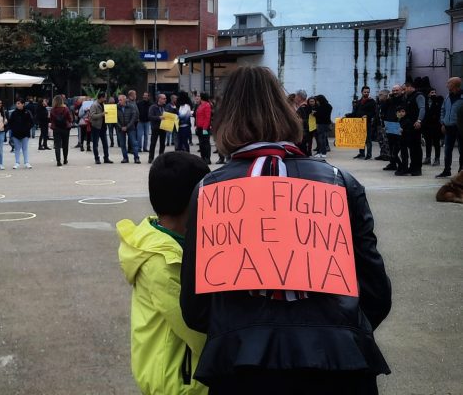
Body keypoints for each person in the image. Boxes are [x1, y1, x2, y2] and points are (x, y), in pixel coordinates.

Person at [180, 66, 391, 394]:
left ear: (225, 118)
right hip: (340, 361)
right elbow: (376, 291)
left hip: (242, 364)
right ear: (286, 110)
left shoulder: (209, 190)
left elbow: (196, 308)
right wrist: (338, 331)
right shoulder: (340, 182)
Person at [117, 151, 211, 395]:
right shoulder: (164, 261)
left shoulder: (167, 240)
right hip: (178, 381)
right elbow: (196, 330)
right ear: (194, 201)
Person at [397, 79, 425, 176]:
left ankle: (417, 168)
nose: (404, 91)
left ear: (410, 87)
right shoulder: (407, 97)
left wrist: (419, 120)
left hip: (416, 125)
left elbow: (422, 108)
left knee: (416, 147)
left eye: (405, 89)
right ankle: (412, 167)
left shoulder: (419, 96)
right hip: (408, 126)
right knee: (412, 147)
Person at [437, 76, 463, 178]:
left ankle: (461, 172)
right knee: (447, 150)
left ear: (454, 85)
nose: (447, 85)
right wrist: (443, 123)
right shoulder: (448, 96)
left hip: (460, 128)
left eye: (449, 83)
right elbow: (443, 109)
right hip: (448, 128)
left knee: (462, 151)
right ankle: (446, 170)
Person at [9, 98, 34, 169]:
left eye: (19, 103)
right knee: (17, 149)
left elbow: (32, 122)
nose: (17, 105)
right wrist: (13, 129)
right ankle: (17, 162)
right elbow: (10, 122)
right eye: (17, 103)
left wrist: (27, 128)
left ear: (23, 104)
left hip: (25, 134)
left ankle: (26, 162)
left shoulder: (27, 112)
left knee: (25, 148)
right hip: (16, 134)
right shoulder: (14, 113)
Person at [352, 86, 376, 160]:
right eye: (365, 92)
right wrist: (346, 116)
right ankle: (361, 153)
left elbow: (374, 113)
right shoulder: (358, 102)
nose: (366, 93)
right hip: (359, 123)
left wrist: (367, 116)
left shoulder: (372, 102)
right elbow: (355, 113)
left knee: (368, 139)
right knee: (360, 139)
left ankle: (369, 154)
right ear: (362, 92)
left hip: (367, 123)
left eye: (368, 92)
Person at [88, 92, 113, 164]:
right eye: (104, 97)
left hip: (103, 127)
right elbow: (92, 116)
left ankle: (106, 158)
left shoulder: (104, 104)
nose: (105, 99)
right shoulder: (94, 105)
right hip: (96, 127)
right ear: (101, 97)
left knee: (105, 143)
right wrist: (102, 114)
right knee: (95, 144)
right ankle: (97, 159)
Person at [49, 95, 73, 166]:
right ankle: (65, 159)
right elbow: (70, 119)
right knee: (65, 145)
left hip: (56, 129)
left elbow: (51, 120)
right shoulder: (66, 109)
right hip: (65, 128)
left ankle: (58, 161)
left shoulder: (52, 110)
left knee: (57, 145)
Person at [116, 94, 140, 164]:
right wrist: (121, 127)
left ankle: (136, 158)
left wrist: (127, 126)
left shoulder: (131, 106)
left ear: (125, 100)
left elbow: (133, 118)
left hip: (130, 127)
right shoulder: (116, 107)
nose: (119, 101)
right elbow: (115, 119)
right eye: (118, 100)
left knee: (134, 143)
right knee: (122, 144)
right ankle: (125, 158)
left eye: (120, 100)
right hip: (121, 128)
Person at [422, 87, 443, 166]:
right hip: (427, 125)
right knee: (428, 142)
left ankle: (437, 159)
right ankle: (428, 158)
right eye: (431, 92)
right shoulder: (425, 101)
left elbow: (439, 110)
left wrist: (434, 100)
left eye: (434, 92)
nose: (433, 94)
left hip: (436, 125)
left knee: (436, 142)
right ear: (428, 94)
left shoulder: (438, 100)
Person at [148, 93, 168, 163]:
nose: (165, 100)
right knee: (153, 143)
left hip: (164, 127)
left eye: (165, 98)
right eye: (164, 98)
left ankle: (161, 158)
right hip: (155, 128)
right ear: (159, 99)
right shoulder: (153, 107)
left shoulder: (165, 107)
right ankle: (151, 158)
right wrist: (159, 117)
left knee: (162, 144)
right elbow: (150, 116)